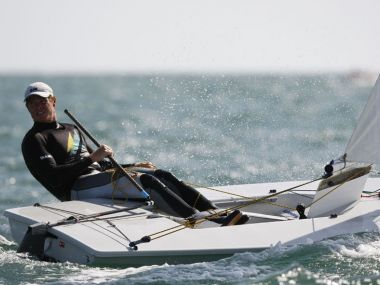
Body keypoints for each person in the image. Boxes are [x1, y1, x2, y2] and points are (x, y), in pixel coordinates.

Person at [21, 82, 248, 226]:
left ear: (53, 101)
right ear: (27, 108)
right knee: (147, 182)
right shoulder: (34, 140)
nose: (38, 106)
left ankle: (214, 211)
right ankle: (196, 219)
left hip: (95, 180)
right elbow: (55, 177)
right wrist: (92, 158)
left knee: (162, 174)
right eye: (32, 104)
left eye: (42, 101)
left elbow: (99, 167)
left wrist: (131, 164)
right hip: (76, 190)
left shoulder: (70, 128)